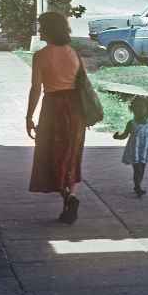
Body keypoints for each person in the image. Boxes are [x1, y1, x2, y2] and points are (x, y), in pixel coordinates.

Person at [27, 12, 86, 223]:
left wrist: (28, 116)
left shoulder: (41, 56)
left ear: (49, 30)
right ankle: (72, 196)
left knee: (51, 156)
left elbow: (36, 89)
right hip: (75, 108)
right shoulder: (73, 53)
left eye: (41, 27)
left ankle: (67, 197)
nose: (39, 30)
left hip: (53, 107)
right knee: (72, 154)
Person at [114, 96, 148, 197]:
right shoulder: (131, 123)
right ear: (133, 109)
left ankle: (138, 185)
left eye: (142, 107)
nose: (139, 110)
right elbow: (124, 135)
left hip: (145, 150)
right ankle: (137, 186)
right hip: (135, 150)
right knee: (137, 169)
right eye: (137, 107)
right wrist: (117, 137)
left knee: (142, 168)